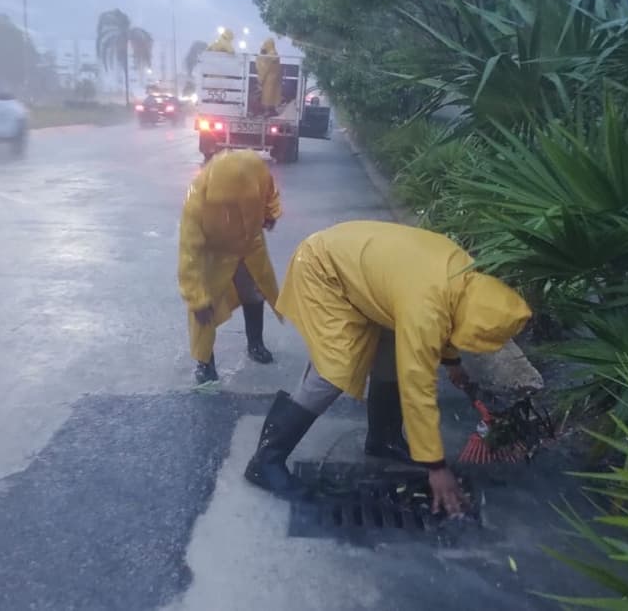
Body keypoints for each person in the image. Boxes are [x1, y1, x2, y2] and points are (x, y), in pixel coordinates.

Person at [244, 221, 532, 514]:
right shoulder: (425, 308)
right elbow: (417, 384)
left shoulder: (465, 275)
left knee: (392, 354)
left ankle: (383, 440)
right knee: (334, 369)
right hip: (322, 268)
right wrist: (436, 466)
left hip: (360, 270)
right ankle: (265, 461)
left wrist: (452, 361)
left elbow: (451, 316)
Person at [178, 150, 282, 385]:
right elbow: (189, 255)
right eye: (230, 204)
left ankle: (255, 344)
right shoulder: (196, 203)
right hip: (216, 254)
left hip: (250, 245)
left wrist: (269, 213)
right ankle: (205, 362)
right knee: (205, 308)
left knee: (254, 294)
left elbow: (270, 193)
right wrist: (196, 298)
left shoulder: (255, 170)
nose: (237, 208)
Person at [256, 38, 281, 117]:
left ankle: (268, 111)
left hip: (268, 78)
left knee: (267, 96)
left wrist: (261, 78)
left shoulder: (269, 55)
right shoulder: (275, 53)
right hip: (275, 78)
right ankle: (272, 110)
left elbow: (264, 67)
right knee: (272, 95)